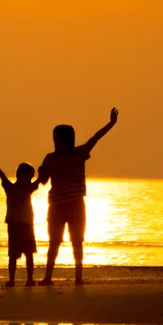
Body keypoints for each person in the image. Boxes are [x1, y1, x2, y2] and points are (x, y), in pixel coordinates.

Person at [38, 108, 119, 286]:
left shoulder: (79, 153)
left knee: (77, 240)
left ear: (67, 139)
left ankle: (78, 277)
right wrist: (41, 172)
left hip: (76, 204)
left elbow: (96, 138)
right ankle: (48, 277)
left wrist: (111, 123)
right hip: (57, 205)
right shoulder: (50, 158)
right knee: (55, 241)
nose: (55, 141)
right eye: (54, 137)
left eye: (58, 138)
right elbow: (43, 181)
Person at [0, 158, 40, 287]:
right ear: (21, 176)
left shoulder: (27, 188)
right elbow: (1, 174)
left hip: (26, 224)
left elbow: (40, 180)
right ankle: (12, 279)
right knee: (14, 255)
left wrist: (45, 172)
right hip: (16, 225)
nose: (31, 180)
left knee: (29, 254)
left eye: (32, 178)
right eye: (29, 177)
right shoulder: (11, 187)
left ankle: (29, 279)